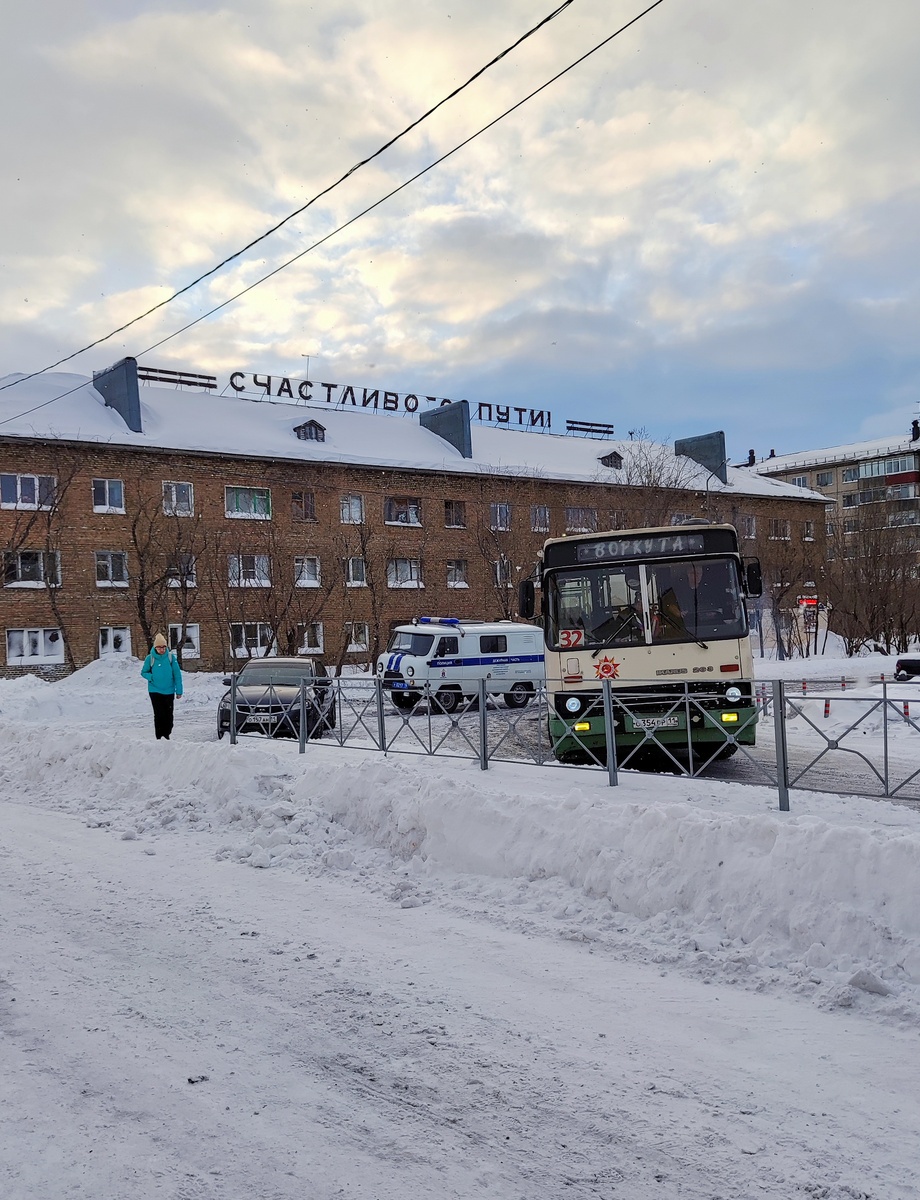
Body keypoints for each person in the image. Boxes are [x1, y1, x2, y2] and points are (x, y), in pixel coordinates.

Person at [141, 632, 183, 739]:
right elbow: (144, 672)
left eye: (164, 647)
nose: (162, 650)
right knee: (159, 715)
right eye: (159, 647)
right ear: (155, 648)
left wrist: (179, 691)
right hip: (155, 691)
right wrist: (151, 677)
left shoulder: (170, 658)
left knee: (169, 716)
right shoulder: (150, 658)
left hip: (169, 690)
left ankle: (167, 733)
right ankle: (160, 737)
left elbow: (177, 675)